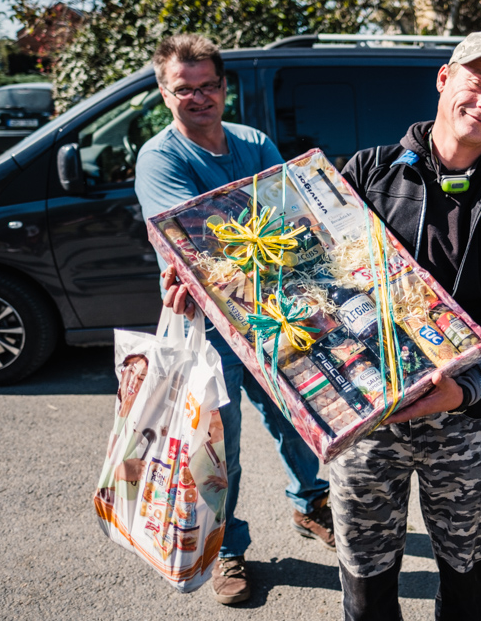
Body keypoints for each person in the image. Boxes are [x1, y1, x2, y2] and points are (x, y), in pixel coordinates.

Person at [333, 32, 481, 621]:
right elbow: (309, 277)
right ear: (444, 78)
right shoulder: (368, 171)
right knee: (367, 586)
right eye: (478, 84)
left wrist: (466, 391)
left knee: (469, 581)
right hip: (366, 416)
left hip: (458, 421)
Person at [134, 33, 333, 606]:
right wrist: (259, 237)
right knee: (220, 446)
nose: (198, 97)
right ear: (164, 93)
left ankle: (310, 503)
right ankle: (227, 546)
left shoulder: (253, 142)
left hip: (274, 314)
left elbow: (289, 219)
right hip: (208, 327)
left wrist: (272, 240)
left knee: (297, 419)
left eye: (207, 86)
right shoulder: (161, 158)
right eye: (184, 89)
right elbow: (198, 241)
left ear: (224, 88)